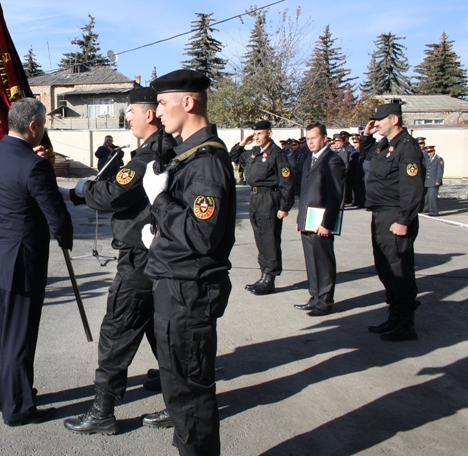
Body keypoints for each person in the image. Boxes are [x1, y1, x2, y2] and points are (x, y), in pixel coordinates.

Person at [63, 87, 176, 435]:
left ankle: (103, 411)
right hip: (153, 255)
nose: (127, 117)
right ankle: (181, 400)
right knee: (161, 332)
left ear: (150, 115)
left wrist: (84, 191)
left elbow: (113, 192)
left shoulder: (149, 157)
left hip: (139, 259)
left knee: (118, 330)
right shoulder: (159, 150)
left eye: (131, 111)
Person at [141, 69, 236, 455]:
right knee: (179, 391)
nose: (157, 112)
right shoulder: (188, 155)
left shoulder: (206, 162)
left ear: (188, 102)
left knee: (190, 397)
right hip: (175, 285)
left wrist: (158, 201)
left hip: (188, 293)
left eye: (163, 103)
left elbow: (202, 235)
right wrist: (159, 240)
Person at [0, 98, 73, 427]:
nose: (44, 130)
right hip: (20, 263)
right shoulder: (35, 166)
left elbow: (9, 183)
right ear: (33, 126)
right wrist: (66, 236)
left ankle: (7, 396)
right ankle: (18, 409)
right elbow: (54, 213)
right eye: (44, 124)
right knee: (19, 338)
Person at [360, 103, 425, 342]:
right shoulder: (384, 146)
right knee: (385, 268)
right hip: (380, 214)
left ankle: (406, 324)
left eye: (379, 119)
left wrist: (404, 219)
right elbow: (365, 155)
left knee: (400, 270)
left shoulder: (407, 148)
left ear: (394, 119)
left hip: (395, 215)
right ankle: (394, 316)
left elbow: (413, 188)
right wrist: (366, 135)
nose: (376, 123)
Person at [229, 120, 295, 295]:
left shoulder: (276, 154)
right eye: (255, 134)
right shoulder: (254, 152)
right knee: (259, 237)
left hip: (269, 198)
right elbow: (234, 156)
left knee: (270, 238)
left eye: (260, 133)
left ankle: (270, 277)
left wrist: (284, 206)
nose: (257, 137)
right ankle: (263, 273)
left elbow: (286, 181)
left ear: (269, 133)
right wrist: (244, 142)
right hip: (255, 197)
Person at [295, 123, 346, 317]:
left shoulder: (332, 161)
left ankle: (325, 299)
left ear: (325, 138)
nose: (310, 142)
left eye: (314, 138)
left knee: (323, 260)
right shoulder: (309, 160)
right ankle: (314, 296)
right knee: (311, 259)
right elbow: (305, 192)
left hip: (321, 222)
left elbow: (335, 196)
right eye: (307, 139)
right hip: (307, 220)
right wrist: (300, 219)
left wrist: (327, 223)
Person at [422, 145, 444, 216]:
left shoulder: (438, 159)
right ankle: (427, 209)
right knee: (428, 196)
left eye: (431, 151)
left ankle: (434, 211)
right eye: (428, 152)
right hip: (428, 181)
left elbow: (440, 171)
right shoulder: (427, 159)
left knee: (432, 197)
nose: (430, 153)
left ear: (434, 151)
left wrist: (438, 180)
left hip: (434, 181)